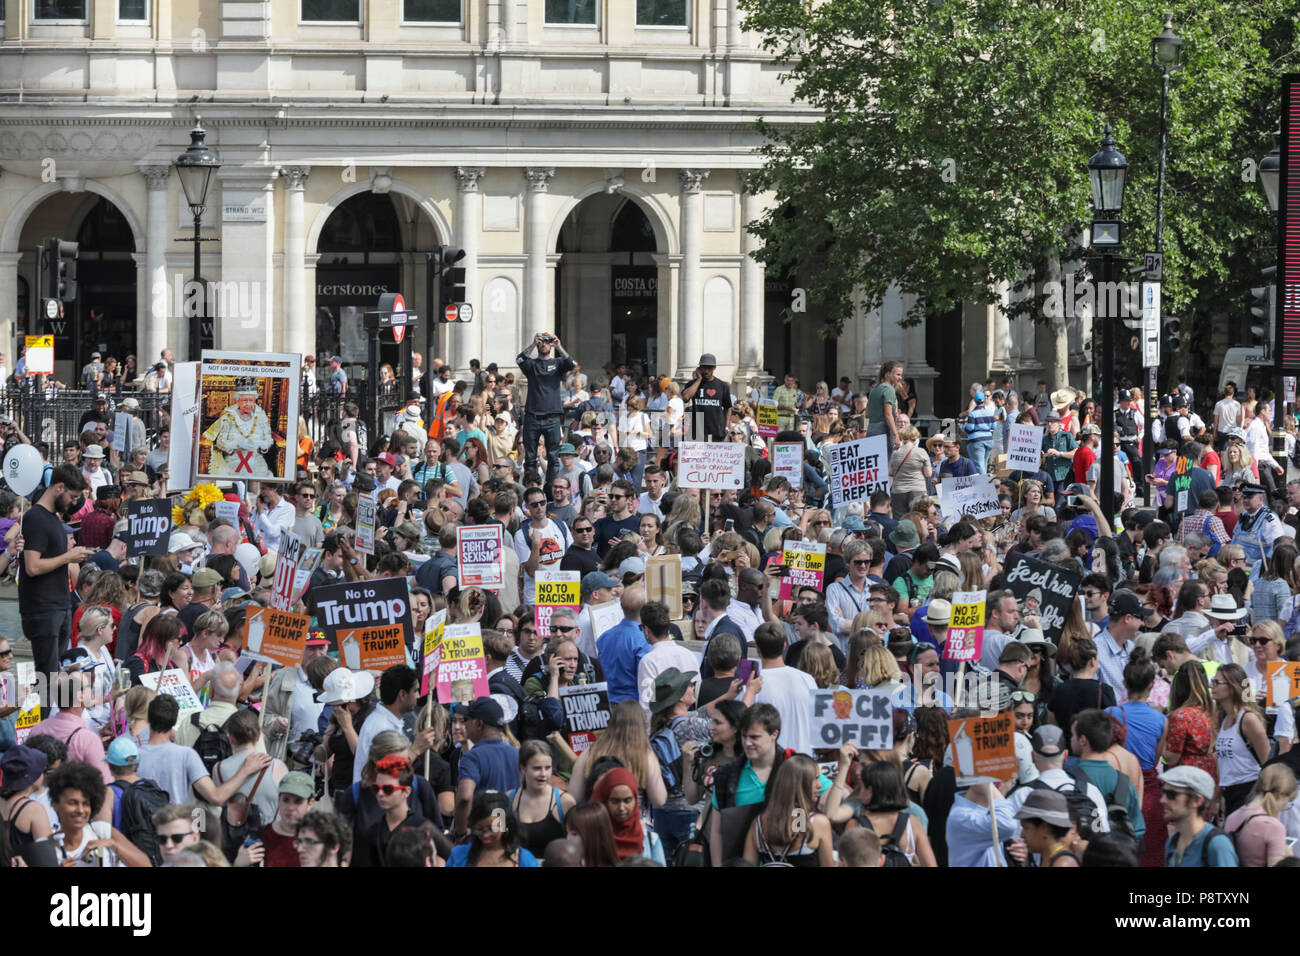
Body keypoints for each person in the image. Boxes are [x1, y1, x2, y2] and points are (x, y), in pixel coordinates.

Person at [21, 463, 93, 679]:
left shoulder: (53, 518)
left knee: (61, 676)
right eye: (72, 496)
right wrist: (68, 557)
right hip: (43, 609)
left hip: (59, 606)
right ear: (59, 487)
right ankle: (46, 713)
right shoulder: (36, 517)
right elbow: (32, 566)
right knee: (47, 677)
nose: (74, 502)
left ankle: (58, 712)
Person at [136, 694, 271, 806]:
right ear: (174, 721)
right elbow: (216, 797)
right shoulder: (186, 755)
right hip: (176, 827)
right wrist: (245, 770)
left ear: (148, 718)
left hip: (142, 831)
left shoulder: (135, 756)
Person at [454, 697, 520, 840]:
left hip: (484, 837)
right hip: (512, 834)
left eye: (467, 720)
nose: (465, 725)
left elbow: (464, 798)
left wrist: (460, 833)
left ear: (479, 724)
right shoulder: (518, 754)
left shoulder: (471, 758)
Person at [516, 331, 576, 484]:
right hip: (532, 417)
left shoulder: (557, 363)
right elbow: (520, 359)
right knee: (530, 458)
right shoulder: (532, 365)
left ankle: (550, 491)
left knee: (553, 458)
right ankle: (531, 488)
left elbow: (571, 363)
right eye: (542, 342)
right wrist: (533, 344)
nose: (545, 344)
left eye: (547, 341)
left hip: (552, 418)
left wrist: (559, 346)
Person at [1211, 663, 1270, 816]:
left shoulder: (1248, 719)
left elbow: (1267, 763)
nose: (1212, 686)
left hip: (1249, 792)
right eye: (1212, 681)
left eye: (1217, 682)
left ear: (1232, 687)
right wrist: (1216, 796)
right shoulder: (1223, 718)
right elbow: (1222, 763)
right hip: (1228, 793)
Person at [1161, 765, 1239, 867]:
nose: (1163, 800)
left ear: (1197, 800)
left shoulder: (1217, 844)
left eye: (1171, 795)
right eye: (1163, 793)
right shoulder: (1173, 842)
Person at [508, 740, 574, 859]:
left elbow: (576, 845)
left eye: (548, 768)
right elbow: (496, 842)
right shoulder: (506, 799)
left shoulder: (566, 802)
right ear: (523, 768)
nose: (543, 774)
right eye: (537, 768)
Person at [1223, 763, 1298, 867]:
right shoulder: (1273, 827)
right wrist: (1288, 857)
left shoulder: (1233, 817)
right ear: (1281, 795)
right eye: (1288, 801)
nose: (1285, 806)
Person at [203, 377, 276, 478]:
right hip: (233, 458)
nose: (248, 404)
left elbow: (268, 439)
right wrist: (237, 444)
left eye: (251, 400)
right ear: (237, 400)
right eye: (244, 400)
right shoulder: (228, 416)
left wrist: (261, 444)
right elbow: (220, 443)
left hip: (255, 459)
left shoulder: (261, 416)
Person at [591, 766, 665, 864]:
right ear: (605, 801)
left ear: (635, 800)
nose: (621, 808)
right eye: (615, 801)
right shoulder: (592, 839)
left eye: (627, 800)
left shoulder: (650, 840)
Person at [680, 352, 733, 442]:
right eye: (704, 367)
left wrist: (726, 426)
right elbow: (685, 397)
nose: (706, 371)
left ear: (714, 368)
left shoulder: (722, 385)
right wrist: (698, 380)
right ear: (699, 368)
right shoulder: (692, 384)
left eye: (710, 367)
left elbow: (728, 408)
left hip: (717, 430)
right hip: (697, 431)